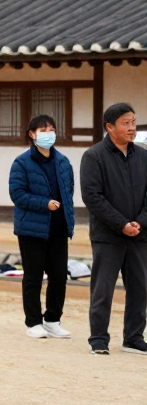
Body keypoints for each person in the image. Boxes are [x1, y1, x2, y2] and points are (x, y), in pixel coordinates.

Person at [80, 102, 147, 356]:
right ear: (110, 127)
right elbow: (92, 197)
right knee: (103, 288)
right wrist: (121, 224)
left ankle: (134, 337)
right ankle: (98, 338)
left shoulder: (143, 156)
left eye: (133, 122)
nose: (131, 128)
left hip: (140, 233)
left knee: (140, 288)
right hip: (108, 234)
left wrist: (139, 222)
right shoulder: (94, 156)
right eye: (125, 123)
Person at [9, 114, 75, 340]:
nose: (49, 134)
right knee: (33, 276)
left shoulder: (63, 162)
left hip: (58, 228)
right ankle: (33, 322)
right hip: (32, 229)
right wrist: (44, 203)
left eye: (52, 129)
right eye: (43, 130)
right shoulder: (21, 162)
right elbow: (17, 195)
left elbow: (69, 192)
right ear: (32, 134)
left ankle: (53, 320)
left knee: (58, 276)